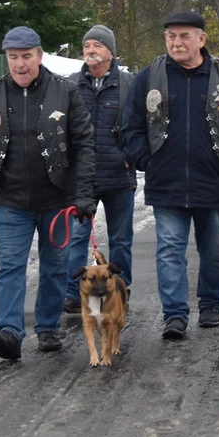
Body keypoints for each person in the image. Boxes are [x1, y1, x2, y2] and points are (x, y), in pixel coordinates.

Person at [122, 10, 219, 340]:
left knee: (215, 250)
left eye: (184, 36)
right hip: (166, 183)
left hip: (212, 179)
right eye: (171, 36)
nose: (177, 42)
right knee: (169, 249)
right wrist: (147, 159)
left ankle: (211, 304)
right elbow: (130, 125)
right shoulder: (149, 77)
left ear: (202, 39)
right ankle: (174, 314)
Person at [0, 26, 96, 361]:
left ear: (39, 55)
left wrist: (84, 194)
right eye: (13, 58)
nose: (20, 65)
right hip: (10, 200)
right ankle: (9, 332)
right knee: (10, 266)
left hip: (57, 200)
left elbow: (84, 145)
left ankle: (47, 327)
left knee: (54, 267)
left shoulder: (65, 92)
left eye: (26, 56)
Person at [63, 24, 136, 314]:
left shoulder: (129, 84)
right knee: (77, 238)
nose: (90, 50)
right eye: (87, 46)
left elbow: (141, 125)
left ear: (111, 52)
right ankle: (72, 292)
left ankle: (121, 288)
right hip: (82, 178)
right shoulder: (70, 85)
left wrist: (130, 155)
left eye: (97, 45)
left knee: (121, 238)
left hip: (119, 175)